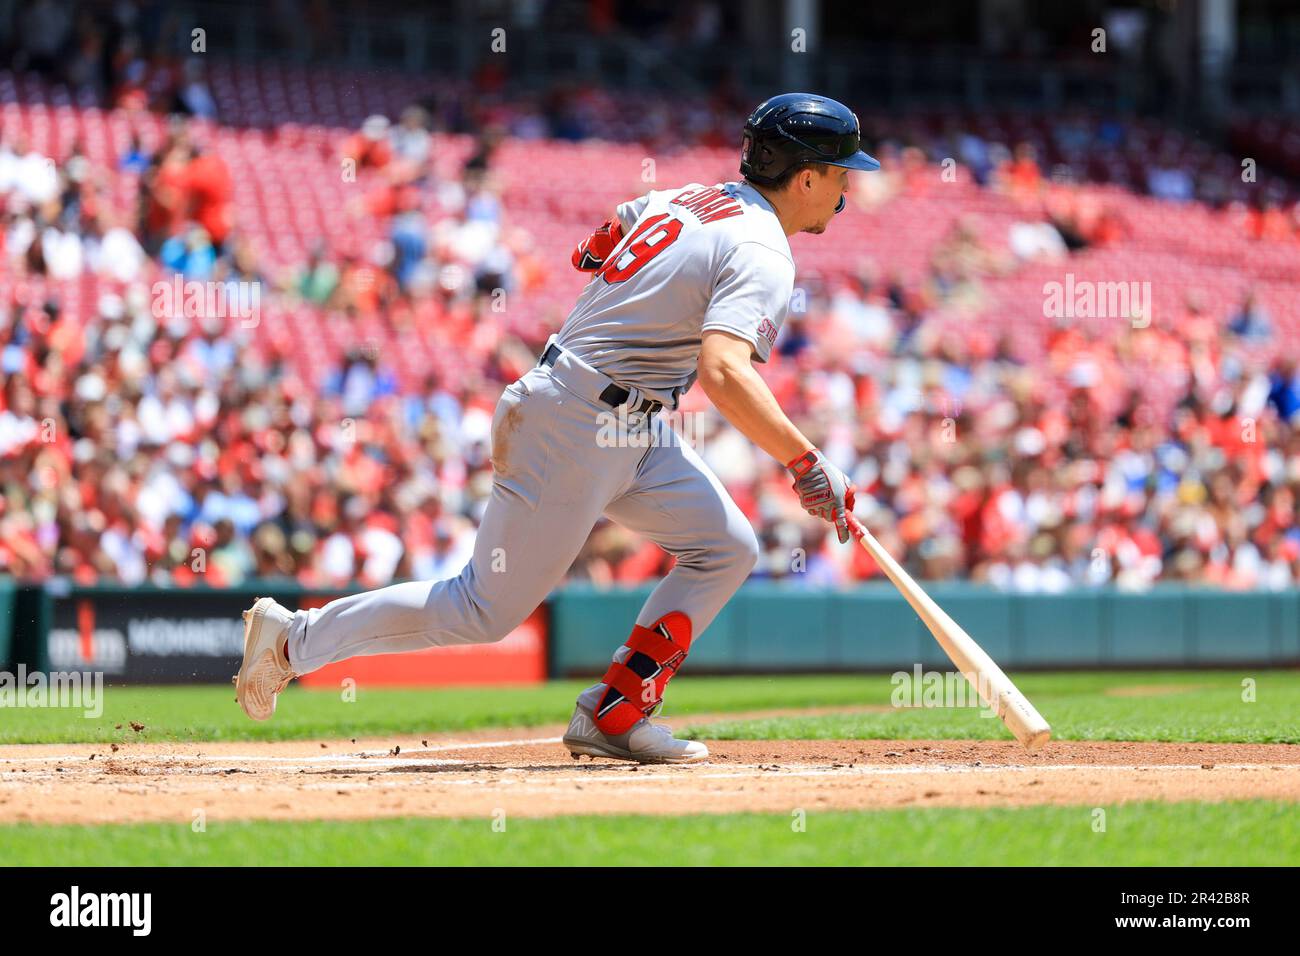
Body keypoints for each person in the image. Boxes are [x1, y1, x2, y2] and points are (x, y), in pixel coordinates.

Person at [233, 93, 880, 763]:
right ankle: (292, 640)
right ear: (805, 177)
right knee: (482, 610)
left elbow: (625, 219)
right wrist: (806, 461)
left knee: (726, 548)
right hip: (578, 419)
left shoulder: (694, 198)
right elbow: (723, 372)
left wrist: (609, 243)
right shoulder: (764, 249)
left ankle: (615, 711)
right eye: (840, 173)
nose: (845, 188)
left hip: (625, 421)